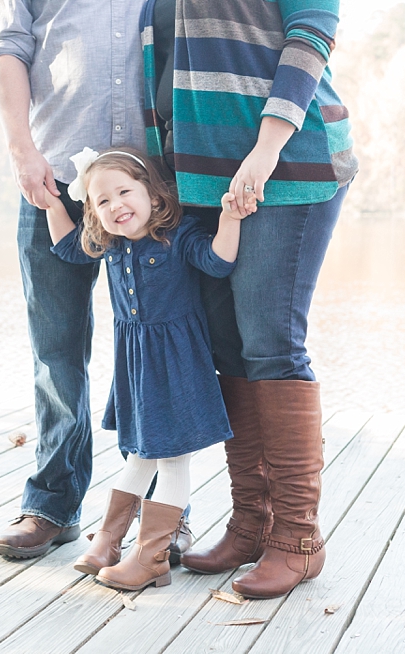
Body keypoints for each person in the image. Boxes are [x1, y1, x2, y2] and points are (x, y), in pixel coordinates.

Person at [140, 0, 358, 599]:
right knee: (228, 347)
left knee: (270, 343)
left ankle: (297, 539)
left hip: (287, 168)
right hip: (200, 177)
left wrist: (265, 150)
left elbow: (312, 33)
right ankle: (251, 522)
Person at [0, 0, 158, 559]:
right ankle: (52, 505)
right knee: (56, 350)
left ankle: (163, 515)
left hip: (147, 182)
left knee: (160, 346)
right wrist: (21, 150)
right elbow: (7, 45)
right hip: (53, 177)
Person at [42, 146, 250, 590]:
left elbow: (218, 260)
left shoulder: (177, 237)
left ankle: (152, 557)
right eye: (102, 200)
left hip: (178, 368)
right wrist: (50, 204)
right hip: (137, 369)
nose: (116, 205)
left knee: (171, 461)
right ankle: (109, 542)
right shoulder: (112, 245)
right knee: (139, 455)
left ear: (153, 196)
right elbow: (67, 248)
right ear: (94, 213)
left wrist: (229, 219)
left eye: (124, 192)